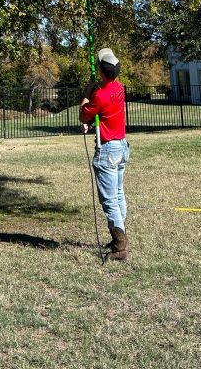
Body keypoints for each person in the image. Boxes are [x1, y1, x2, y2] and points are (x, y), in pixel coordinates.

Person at [79, 47, 130, 261]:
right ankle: (121, 236)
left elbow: (83, 115)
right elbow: (102, 113)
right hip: (121, 147)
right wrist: (94, 123)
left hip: (107, 150)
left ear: (100, 70)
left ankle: (120, 246)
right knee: (118, 194)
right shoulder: (119, 88)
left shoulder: (99, 95)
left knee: (109, 200)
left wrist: (88, 91)